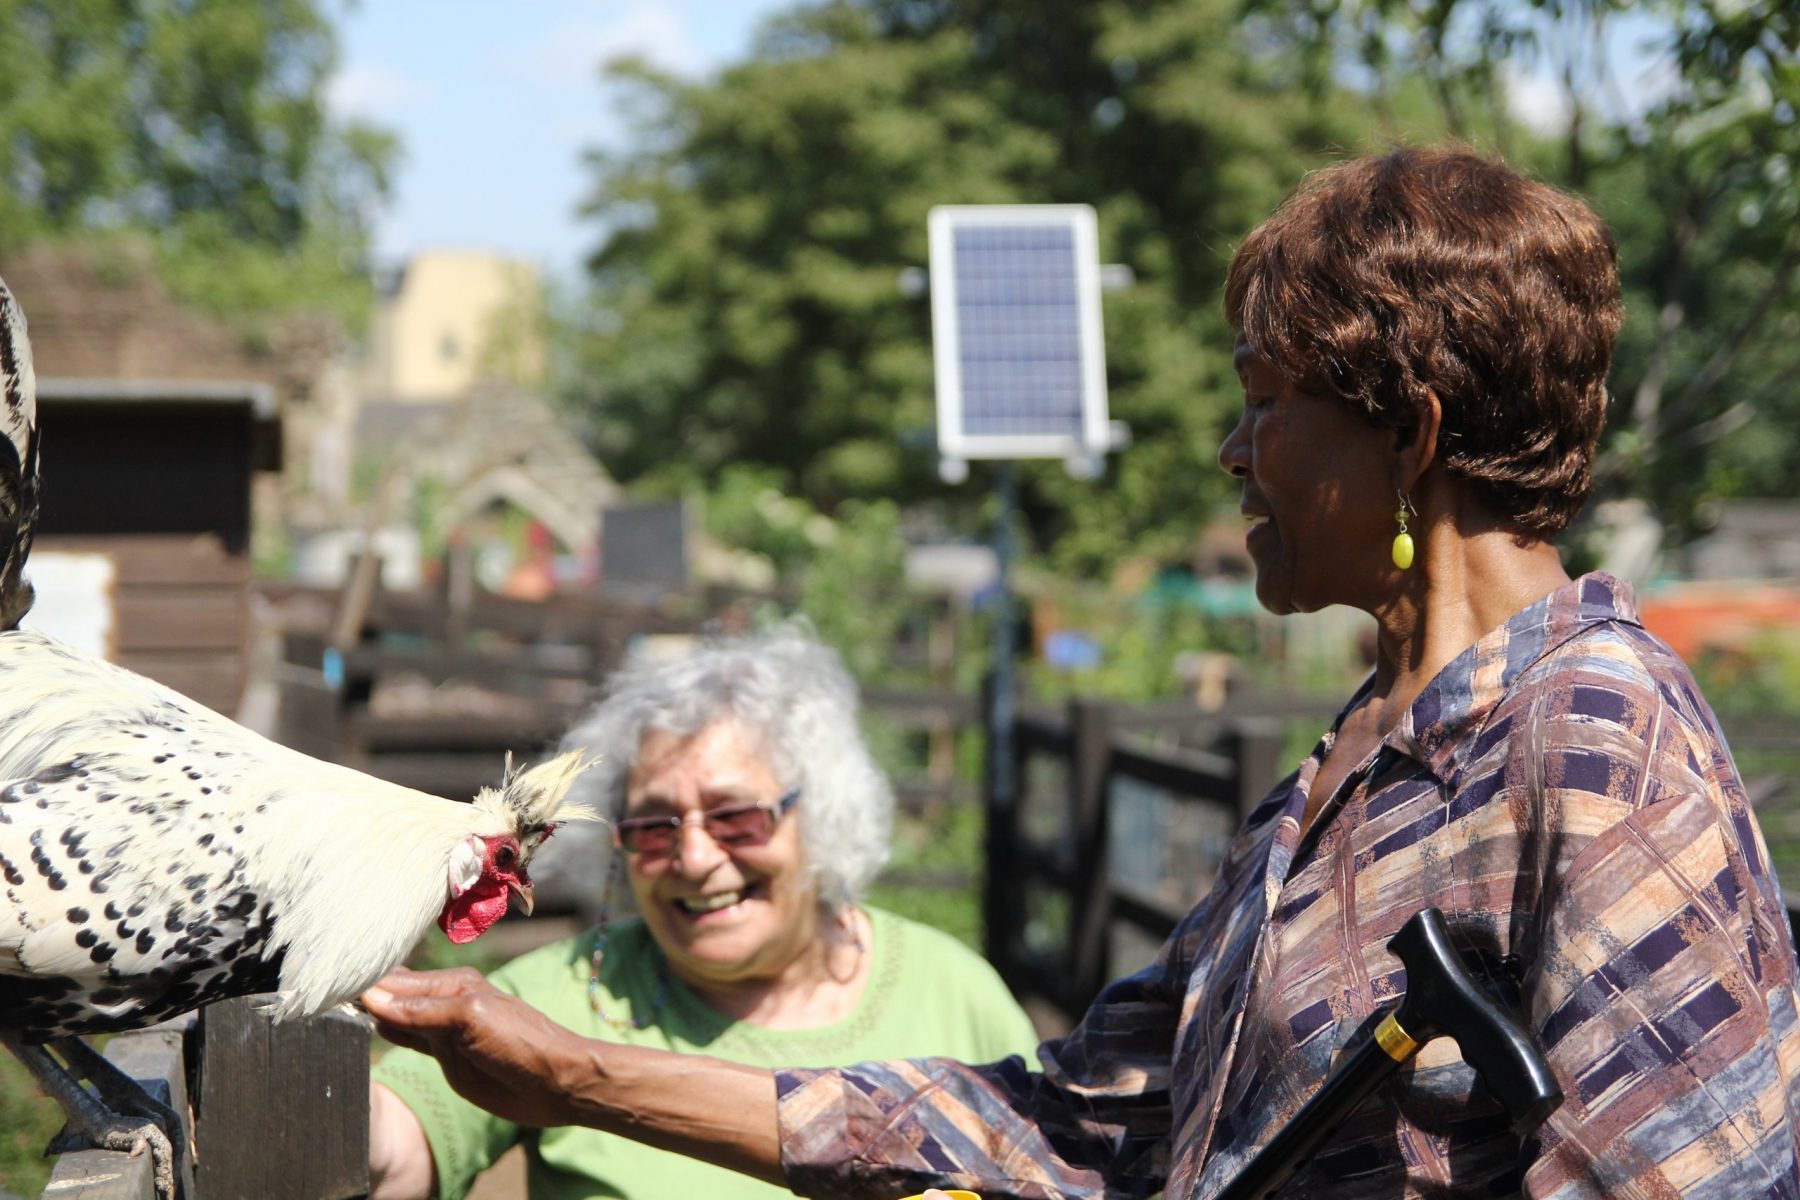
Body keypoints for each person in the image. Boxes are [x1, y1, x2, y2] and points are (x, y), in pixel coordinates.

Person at [364, 146, 1800, 1198]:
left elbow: (1689, 1177)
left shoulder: (1597, 732)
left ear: (1410, 436)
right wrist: (577, 1077)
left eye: (1263, 405)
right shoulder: (1354, 765)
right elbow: (1077, 1121)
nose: (1234, 454)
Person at [366, 624, 1041, 1200]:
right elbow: (393, 1138)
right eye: (655, 825)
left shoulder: (957, 997)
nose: (693, 857)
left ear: (821, 816)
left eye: (736, 817)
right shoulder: (554, 996)